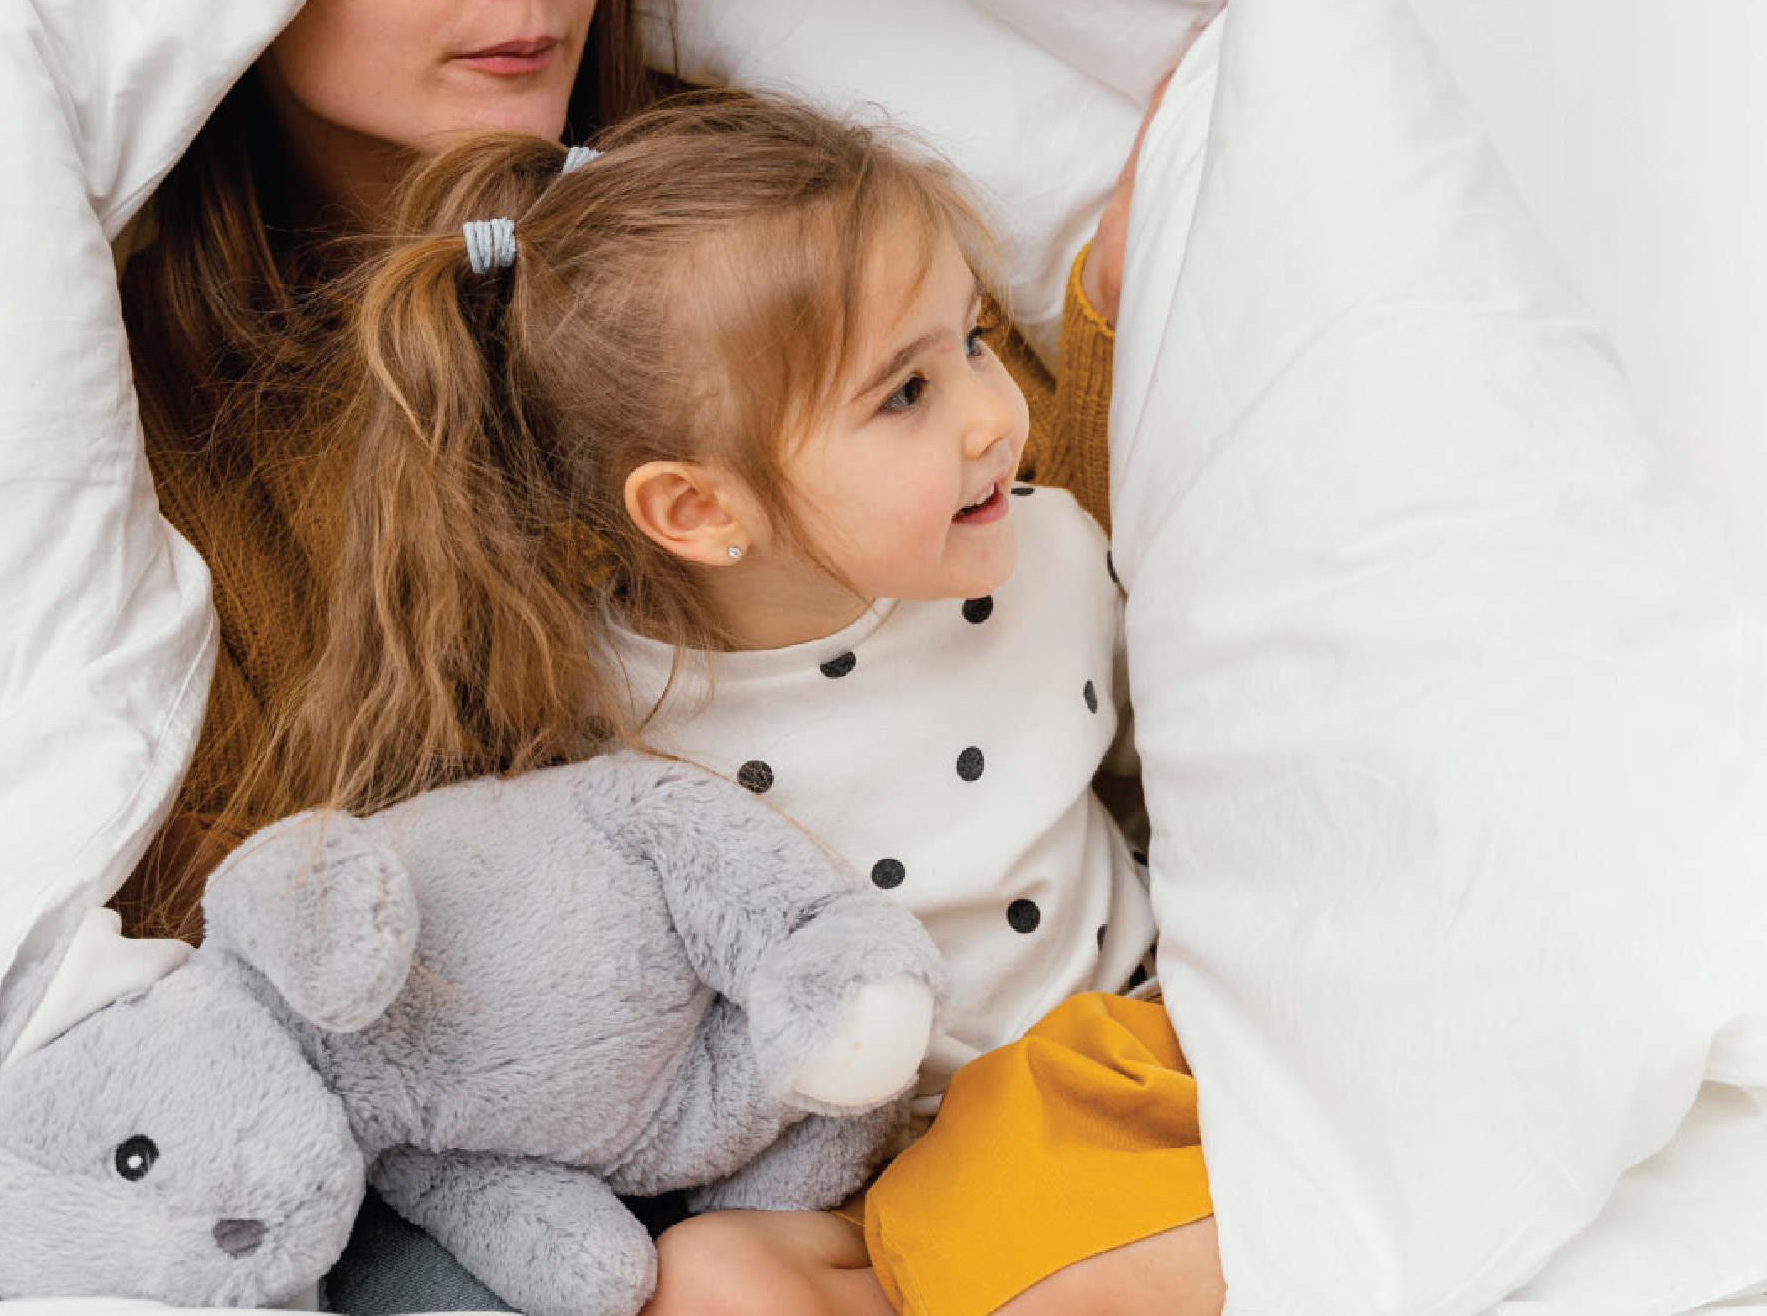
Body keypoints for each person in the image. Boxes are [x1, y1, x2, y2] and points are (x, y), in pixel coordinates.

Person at [111, 0, 1189, 1311]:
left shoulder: (730, 213)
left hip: (984, 1084)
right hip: (594, 1149)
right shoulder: (170, 417)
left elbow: (1014, 536)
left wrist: (1137, 275)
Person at [306, 88, 1222, 1316]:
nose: (995, 418)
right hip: (843, 1172)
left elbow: (1193, 767)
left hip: (1101, 1082)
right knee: (700, 1279)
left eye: (975, 344)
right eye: (907, 395)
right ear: (700, 511)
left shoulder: (1052, 558)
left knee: (1086, 1264)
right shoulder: (597, 708)